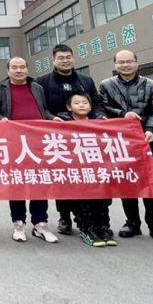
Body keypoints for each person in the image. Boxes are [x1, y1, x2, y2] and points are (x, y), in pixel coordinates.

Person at [98, 50, 153, 245]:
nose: (125, 65)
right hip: (120, 141)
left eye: (129, 61)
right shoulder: (106, 85)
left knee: (150, 181)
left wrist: (150, 129)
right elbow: (102, 108)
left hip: (145, 139)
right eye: (121, 62)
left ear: (137, 63)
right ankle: (132, 222)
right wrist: (122, 114)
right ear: (115, 64)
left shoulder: (151, 85)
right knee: (126, 180)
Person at [35, 44, 105, 236]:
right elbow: (41, 108)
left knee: (86, 177)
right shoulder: (42, 82)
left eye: (68, 57)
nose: (65, 61)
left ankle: (91, 218)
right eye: (61, 58)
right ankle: (64, 217)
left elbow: (97, 104)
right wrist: (52, 118)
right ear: (53, 60)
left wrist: (99, 117)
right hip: (57, 139)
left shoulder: (85, 81)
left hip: (85, 140)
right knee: (62, 178)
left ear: (73, 58)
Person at [0, 57, 59, 243]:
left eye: (22, 67)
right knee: (17, 183)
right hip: (14, 144)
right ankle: (18, 223)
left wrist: (52, 118)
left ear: (27, 69)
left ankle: (40, 223)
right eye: (14, 67)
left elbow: (44, 110)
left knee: (39, 183)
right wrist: (0, 119)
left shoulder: (37, 88)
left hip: (38, 143)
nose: (18, 70)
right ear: (8, 71)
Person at [60, 91, 116, 248]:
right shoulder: (62, 122)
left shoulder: (99, 122)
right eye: (77, 103)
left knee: (102, 199)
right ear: (69, 107)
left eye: (85, 103)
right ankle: (87, 229)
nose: (81, 106)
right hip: (76, 171)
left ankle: (103, 228)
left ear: (90, 106)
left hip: (97, 169)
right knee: (82, 201)